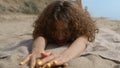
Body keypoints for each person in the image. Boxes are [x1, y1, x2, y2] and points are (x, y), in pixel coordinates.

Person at [20, 0, 98, 68]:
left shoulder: (78, 27)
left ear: (74, 27)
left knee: (81, 9)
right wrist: (37, 51)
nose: (60, 37)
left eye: (65, 32)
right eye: (54, 30)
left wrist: (65, 56)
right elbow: (41, 35)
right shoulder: (48, 26)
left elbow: (83, 39)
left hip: (79, 13)